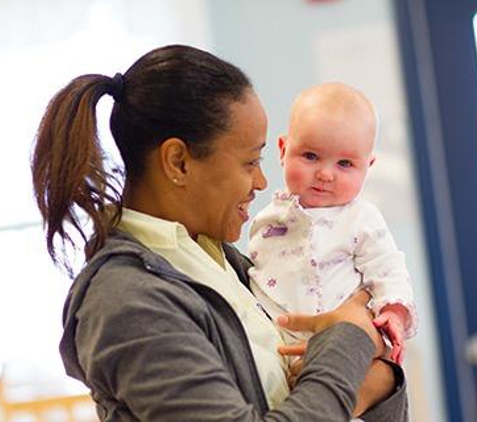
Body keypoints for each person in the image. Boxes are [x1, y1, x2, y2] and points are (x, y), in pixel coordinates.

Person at [31, 45, 408, 421]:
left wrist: (381, 380)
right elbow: (341, 368)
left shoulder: (223, 262)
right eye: (250, 162)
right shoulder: (126, 301)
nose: (261, 182)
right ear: (178, 162)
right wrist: (351, 341)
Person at [249, 83, 417, 364]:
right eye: (310, 156)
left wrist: (394, 313)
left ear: (367, 167)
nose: (325, 174)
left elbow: (389, 270)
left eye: (344, 164)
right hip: (275, 348)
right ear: (283, 150)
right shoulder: (267, 219)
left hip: (341, 348)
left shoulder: (361, 218)